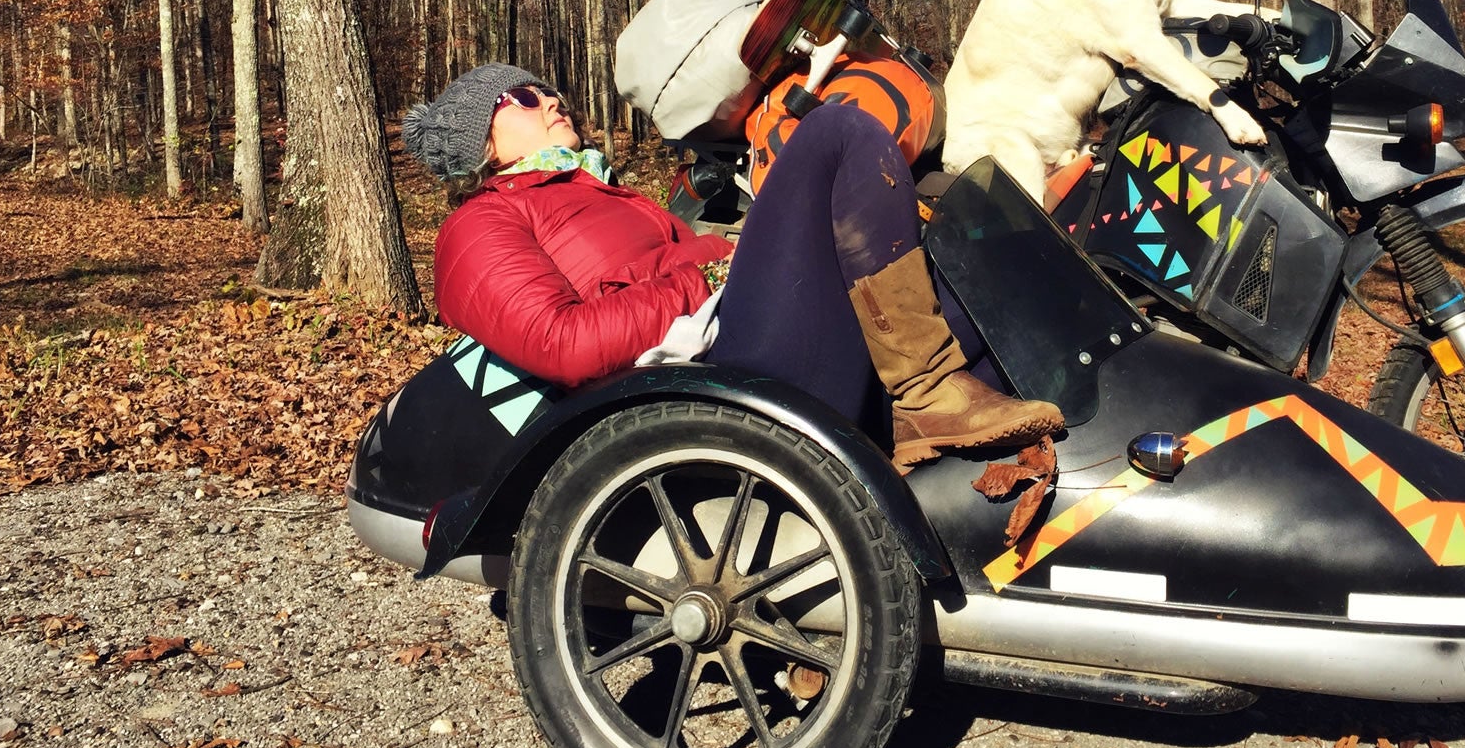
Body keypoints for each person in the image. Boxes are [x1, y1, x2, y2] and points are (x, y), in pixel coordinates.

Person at [402, 63, 1064, 471]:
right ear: (482, 145)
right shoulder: (479, 225)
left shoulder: (613, 196)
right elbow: (561, 344)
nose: (552, 100)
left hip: (734, 340)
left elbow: (674, 266)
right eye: (523, 97)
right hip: (699, 388)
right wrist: (706, 279)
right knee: (836, 131)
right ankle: (927, 396)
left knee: (960, 274)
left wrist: (719, 261)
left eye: (549, 89)